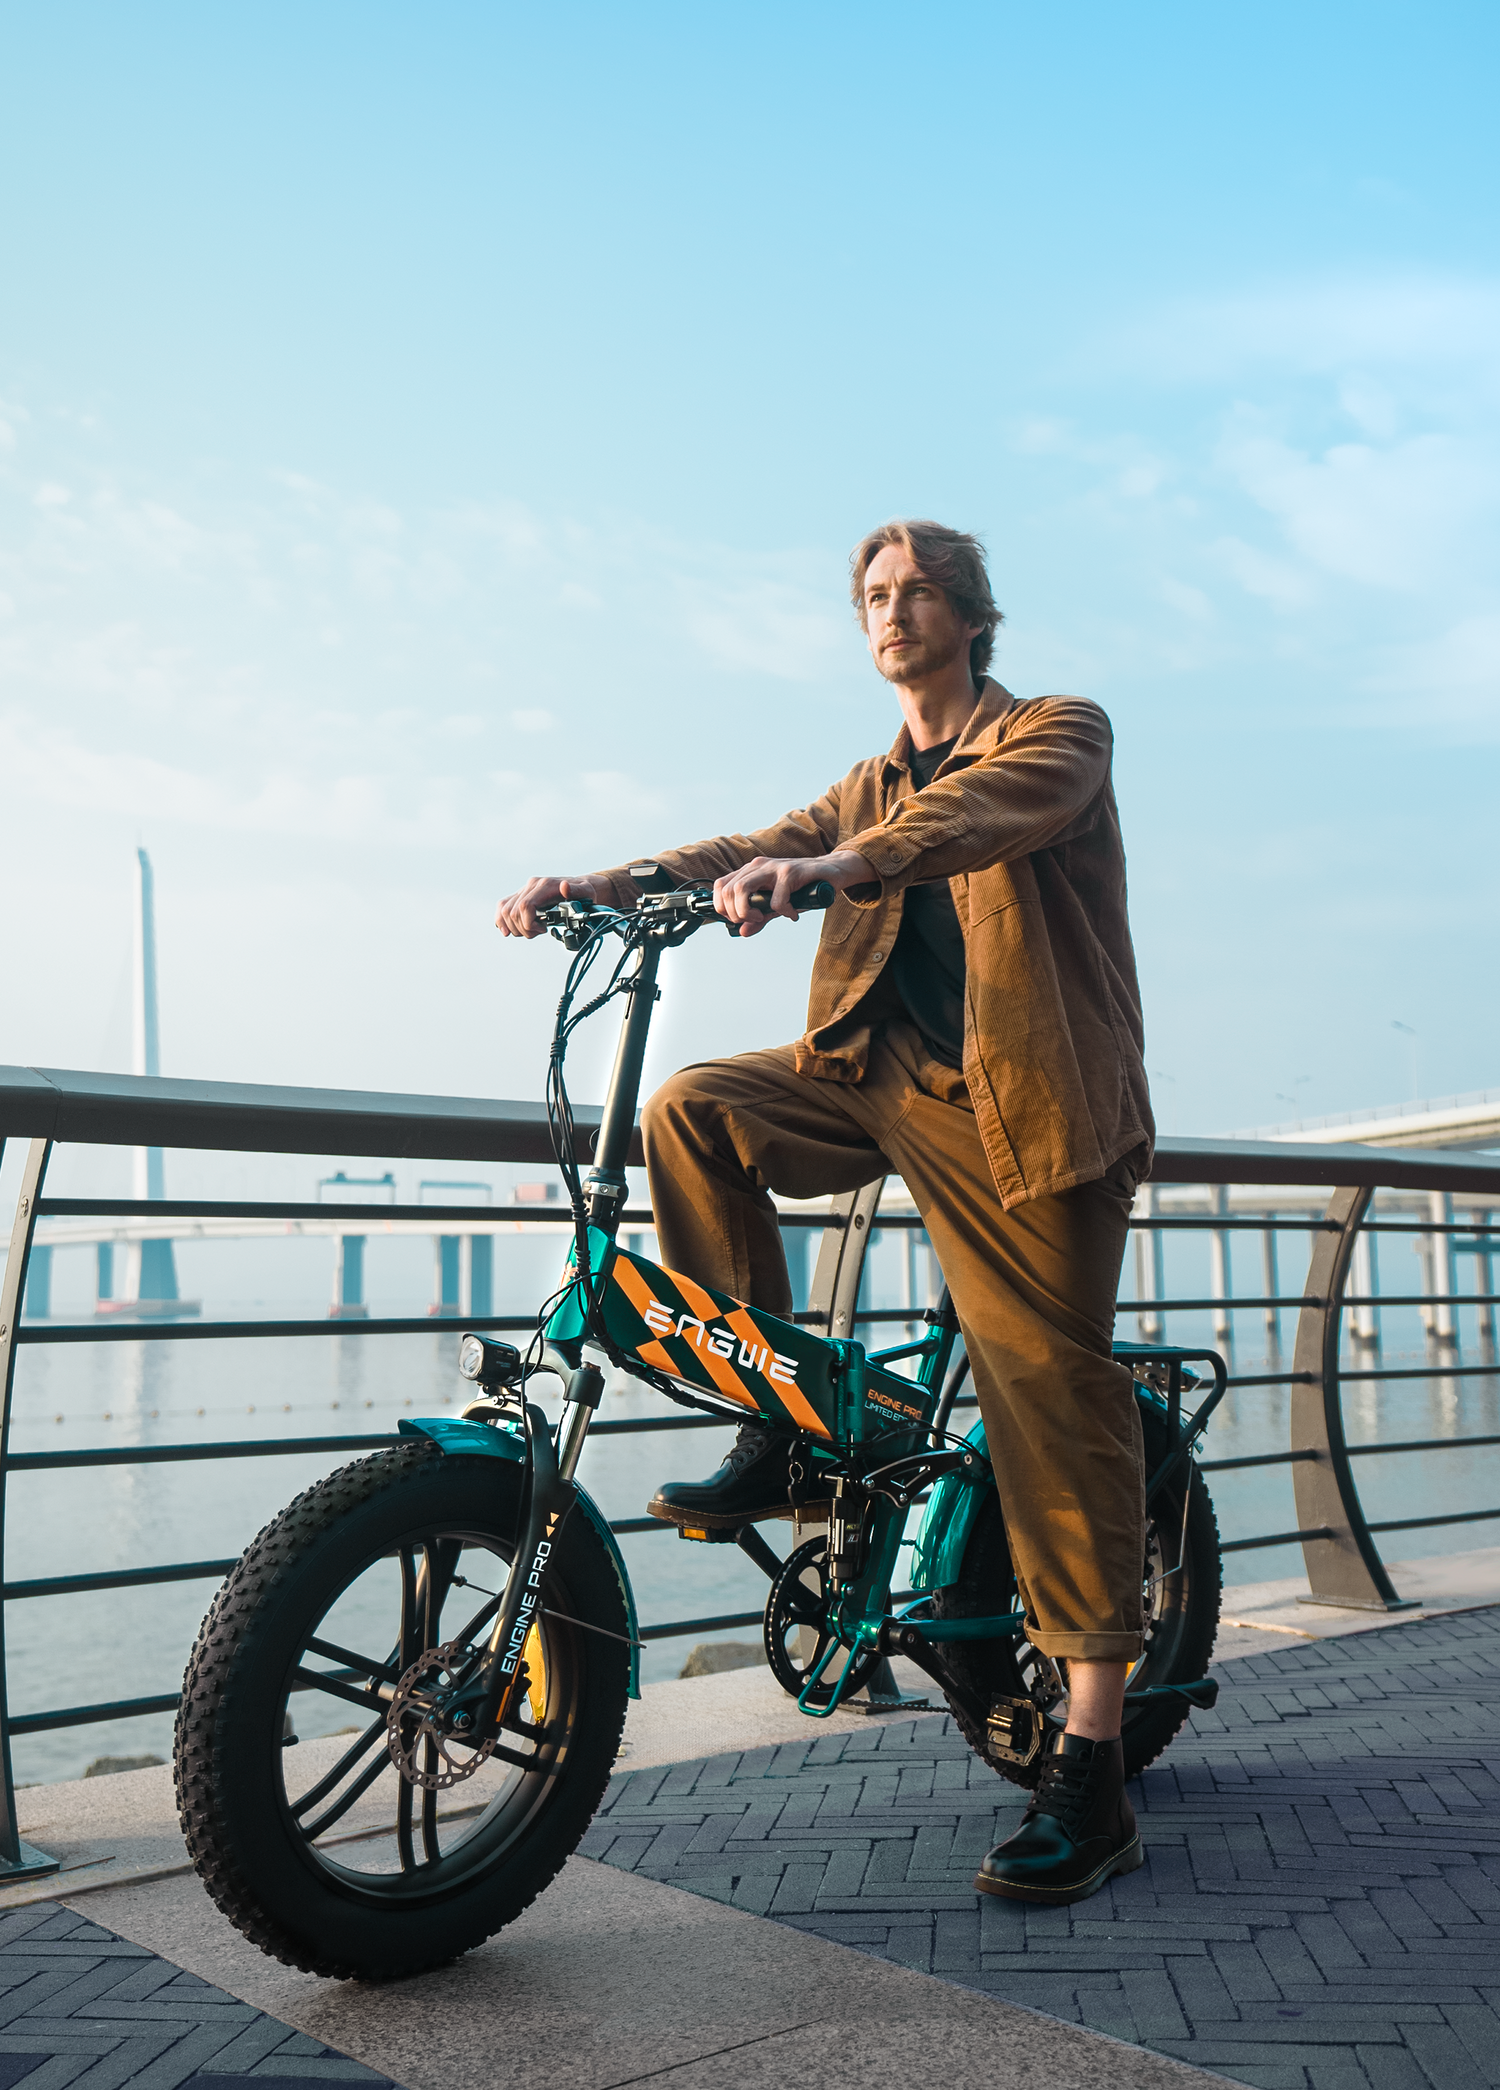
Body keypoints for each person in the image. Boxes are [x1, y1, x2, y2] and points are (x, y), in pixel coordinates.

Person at [496, 519, 1154, 1906]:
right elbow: (755, 840)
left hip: (1025, 1111)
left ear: (974, 614)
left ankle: (1090, 1765)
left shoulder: (1057, 731)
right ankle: (784, 1423)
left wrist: (836, 872)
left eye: (918, 591)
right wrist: (608, 882)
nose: (892, 610)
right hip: (873, 1083)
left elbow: (966, 821)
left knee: (1049, 1388)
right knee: (693, 1107)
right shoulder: (865, 778)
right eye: (872, 594)